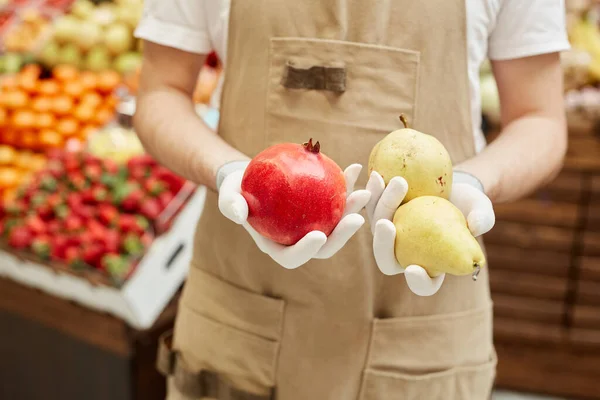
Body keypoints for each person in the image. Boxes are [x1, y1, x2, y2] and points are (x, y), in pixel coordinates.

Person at [133, 0, 569, 398]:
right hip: (238, 317)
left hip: (420, 323)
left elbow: (539, 117)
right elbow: (160, 90)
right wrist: (226, 171)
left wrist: (475, 183)